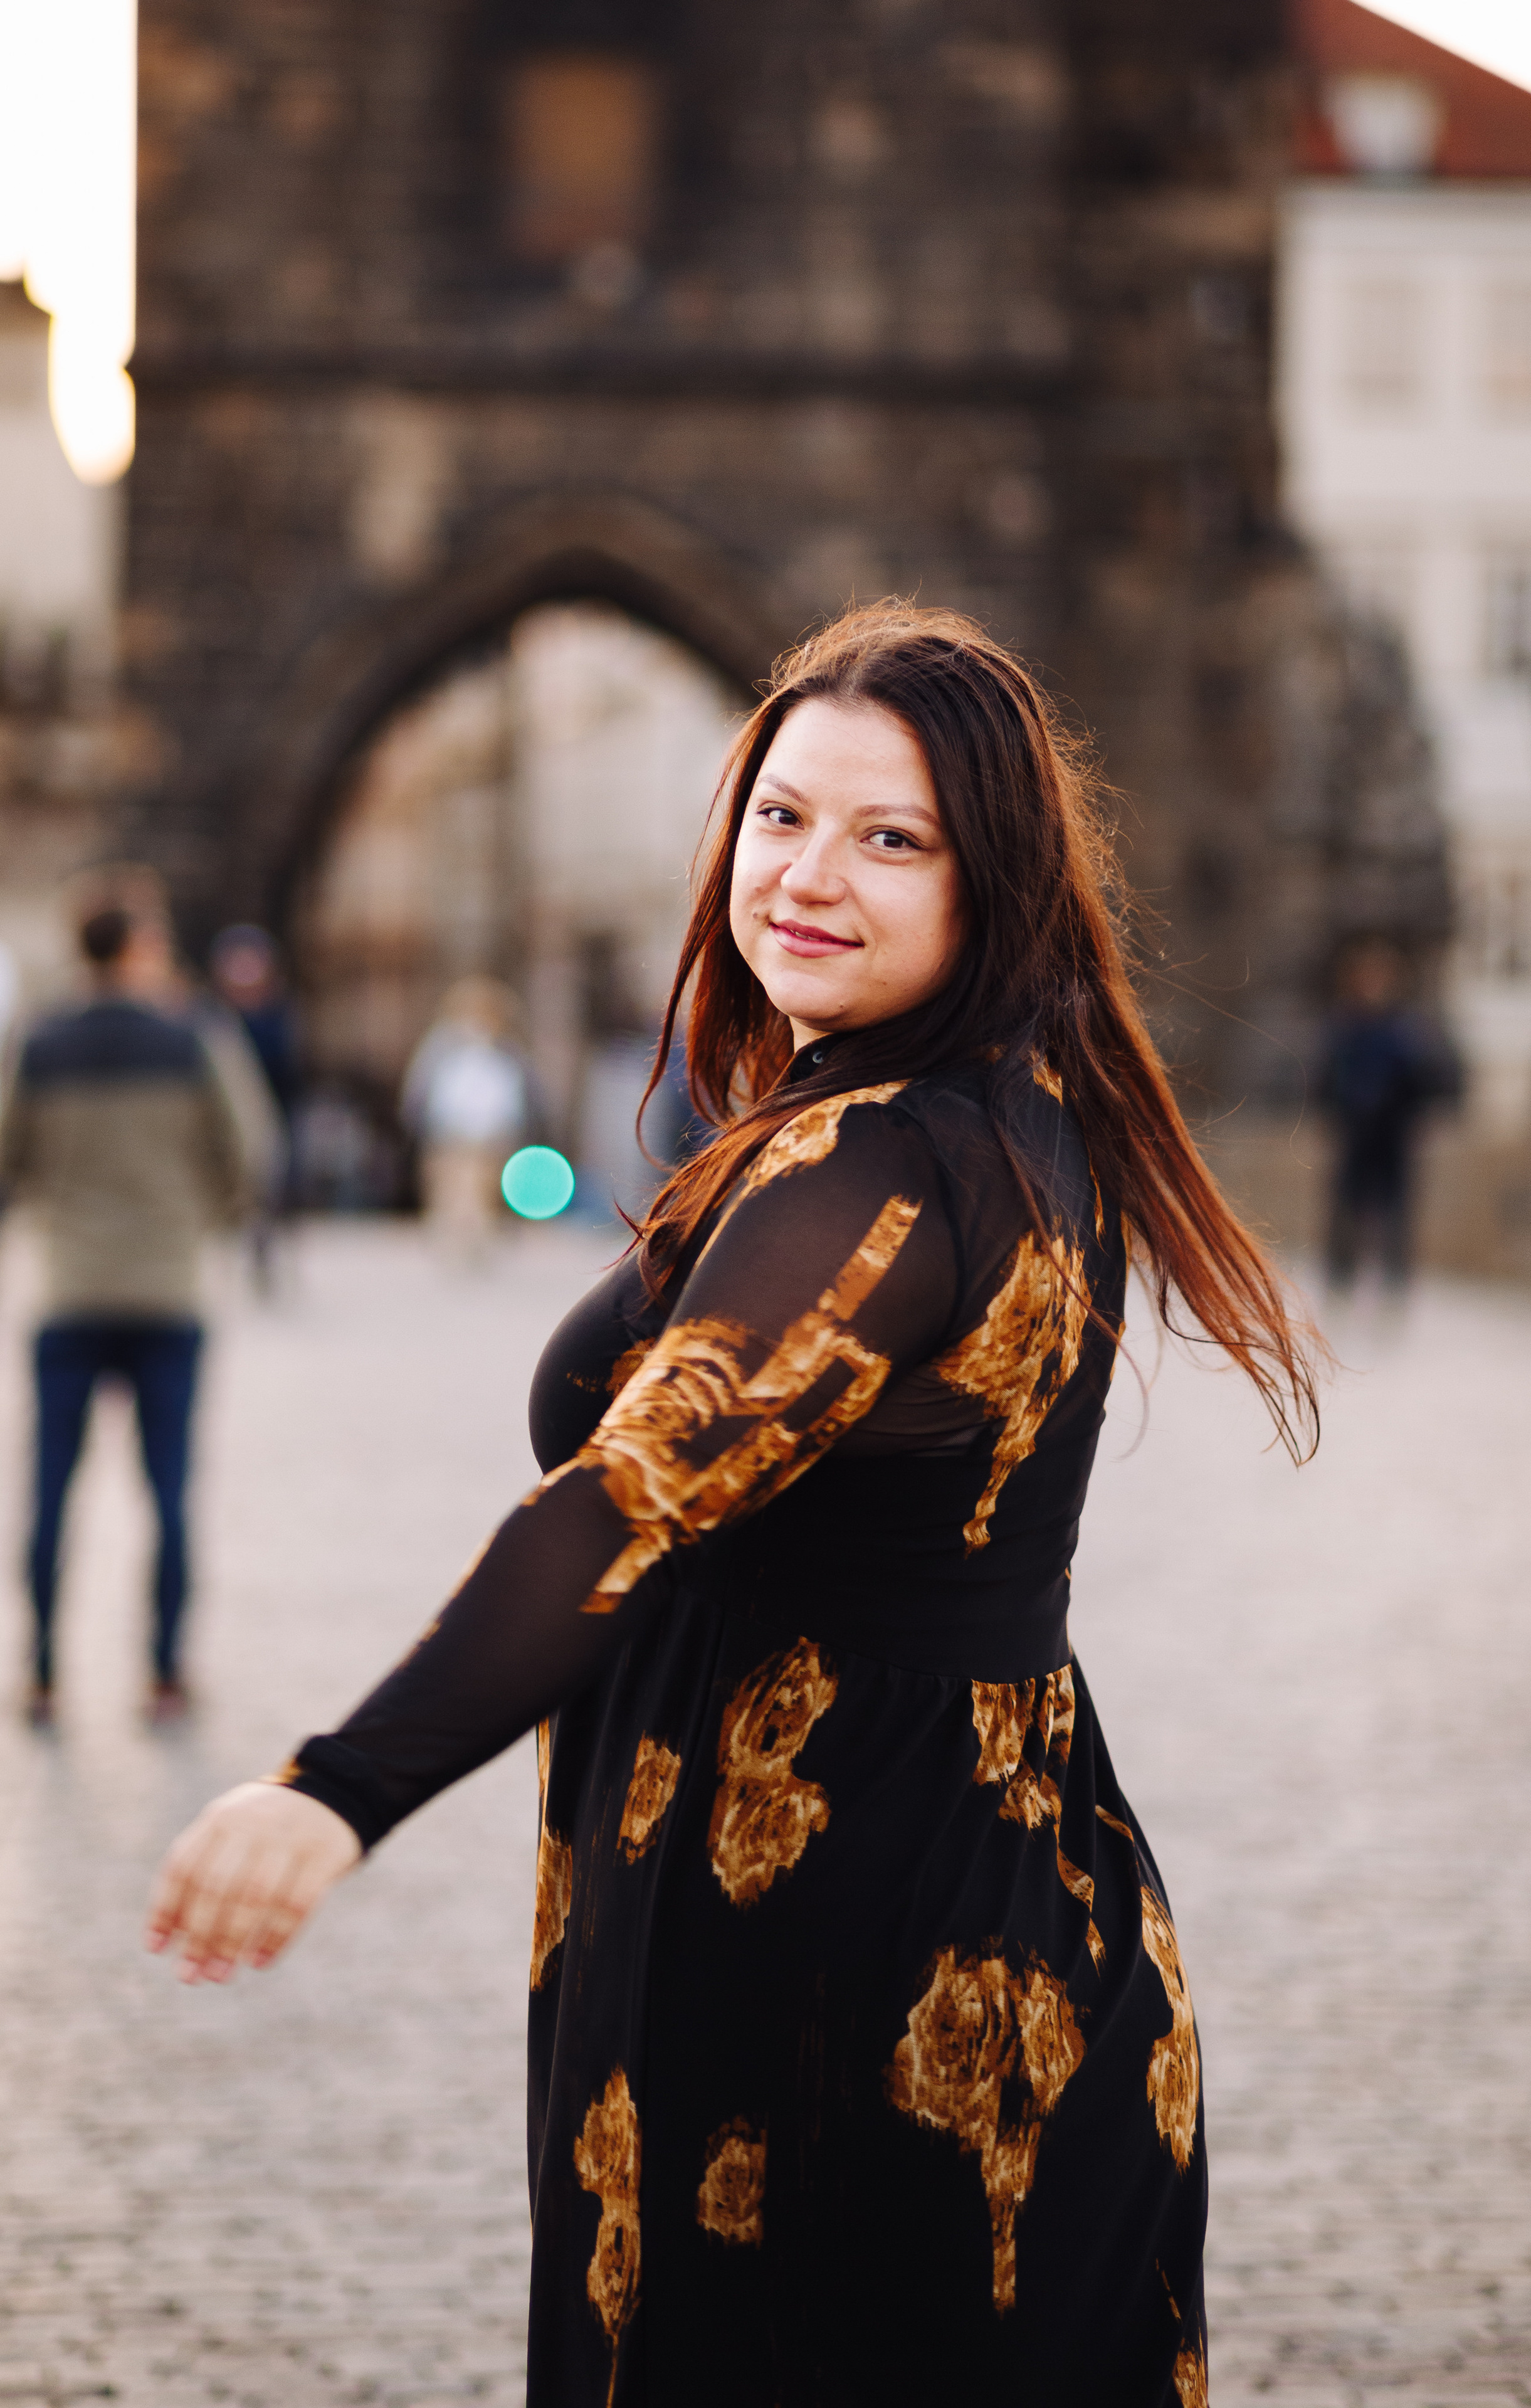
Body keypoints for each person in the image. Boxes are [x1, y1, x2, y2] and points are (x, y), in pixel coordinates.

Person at [147, 605, 1322, 2405]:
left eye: (892, 838)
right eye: (781, 817)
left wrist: (342, 1784)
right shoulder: (965, 1111)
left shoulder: (896, 1165)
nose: (808, 877)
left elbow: (635, 1493)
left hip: (854, 1989)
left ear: (991, 880)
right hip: (958, 1908)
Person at [1, 885, 260, 1725]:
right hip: (166, 1291)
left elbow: (9, 1158)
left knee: (51, 1489)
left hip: (69, 1290)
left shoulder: (38, 1041)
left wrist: (58, 1209)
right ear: (140, 948)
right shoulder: (192, 1037)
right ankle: (165, 1672)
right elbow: (250, 1151)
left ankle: (40, 1670)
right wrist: (197, 1220)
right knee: (170, 1490)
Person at [1316, 939, 1455, 1299]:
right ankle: (1340, 1284)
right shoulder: (1346, 1026)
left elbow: (1428, 1077)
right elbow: (1327, 1077)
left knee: (1395, 1217)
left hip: (1392, 1136)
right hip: (1355, 1134)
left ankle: (1394, 1288)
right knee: (1346, 1213)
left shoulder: (1406, 1030)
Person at [401, 976, 547, 1262]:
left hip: (490, 1132)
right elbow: (421, 1088)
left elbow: (518, 1091)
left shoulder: (506, 1050)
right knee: (451, 1189)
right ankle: (452, 1241)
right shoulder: (442, 1046)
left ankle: (477, 1242)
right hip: (449, 1130)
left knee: (482, 1191)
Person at [209, 924, 300, 1291]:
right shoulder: (215, 1015)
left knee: (266, 1184)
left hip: (268, 1111)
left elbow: (289, 1072)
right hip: (224, 1113)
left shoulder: (277, 1015)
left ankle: (263, 1248)